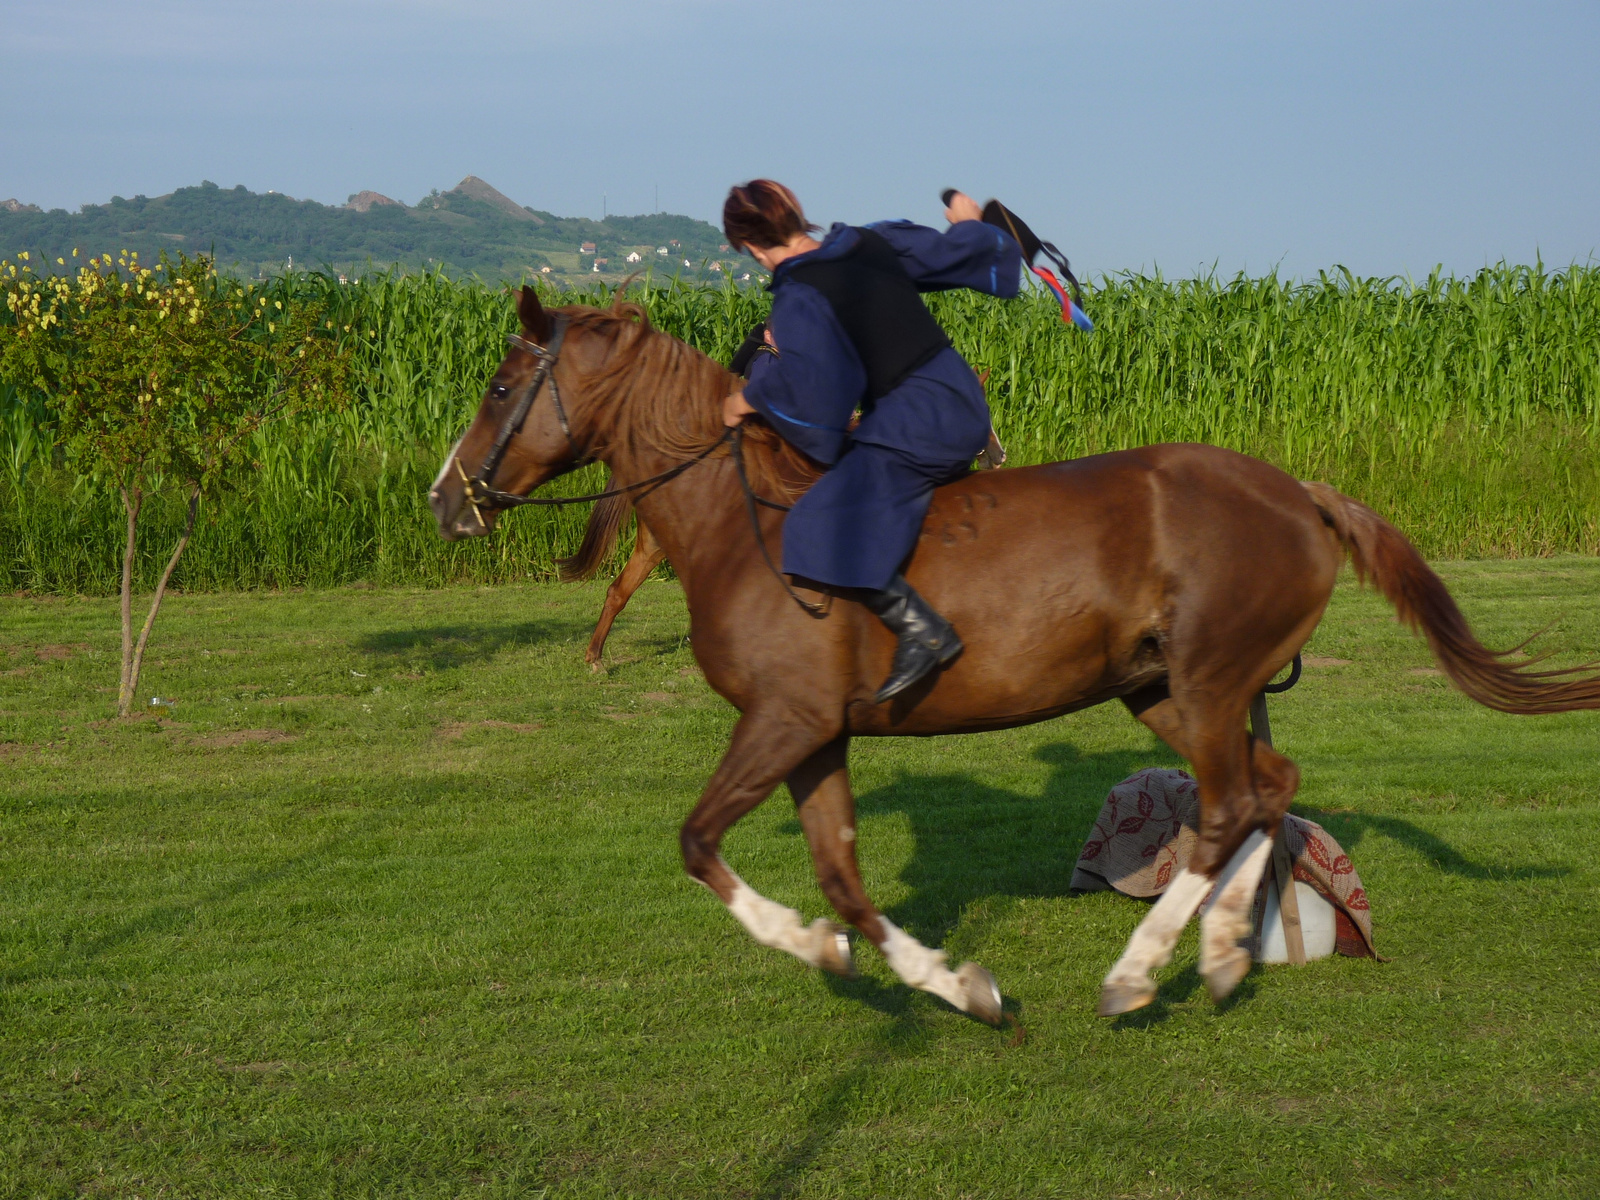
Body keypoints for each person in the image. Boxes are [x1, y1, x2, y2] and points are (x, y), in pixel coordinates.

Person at [721, 180, 1023, 703]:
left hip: (918, 420)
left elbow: (818, 394)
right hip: (958, 399)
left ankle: (923, 632)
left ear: (749, 246)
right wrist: (969, 223)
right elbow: (953, 252)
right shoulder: (868, 241)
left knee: (817, 520)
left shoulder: (799, 295)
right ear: (796, 215)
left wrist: (748, 399)